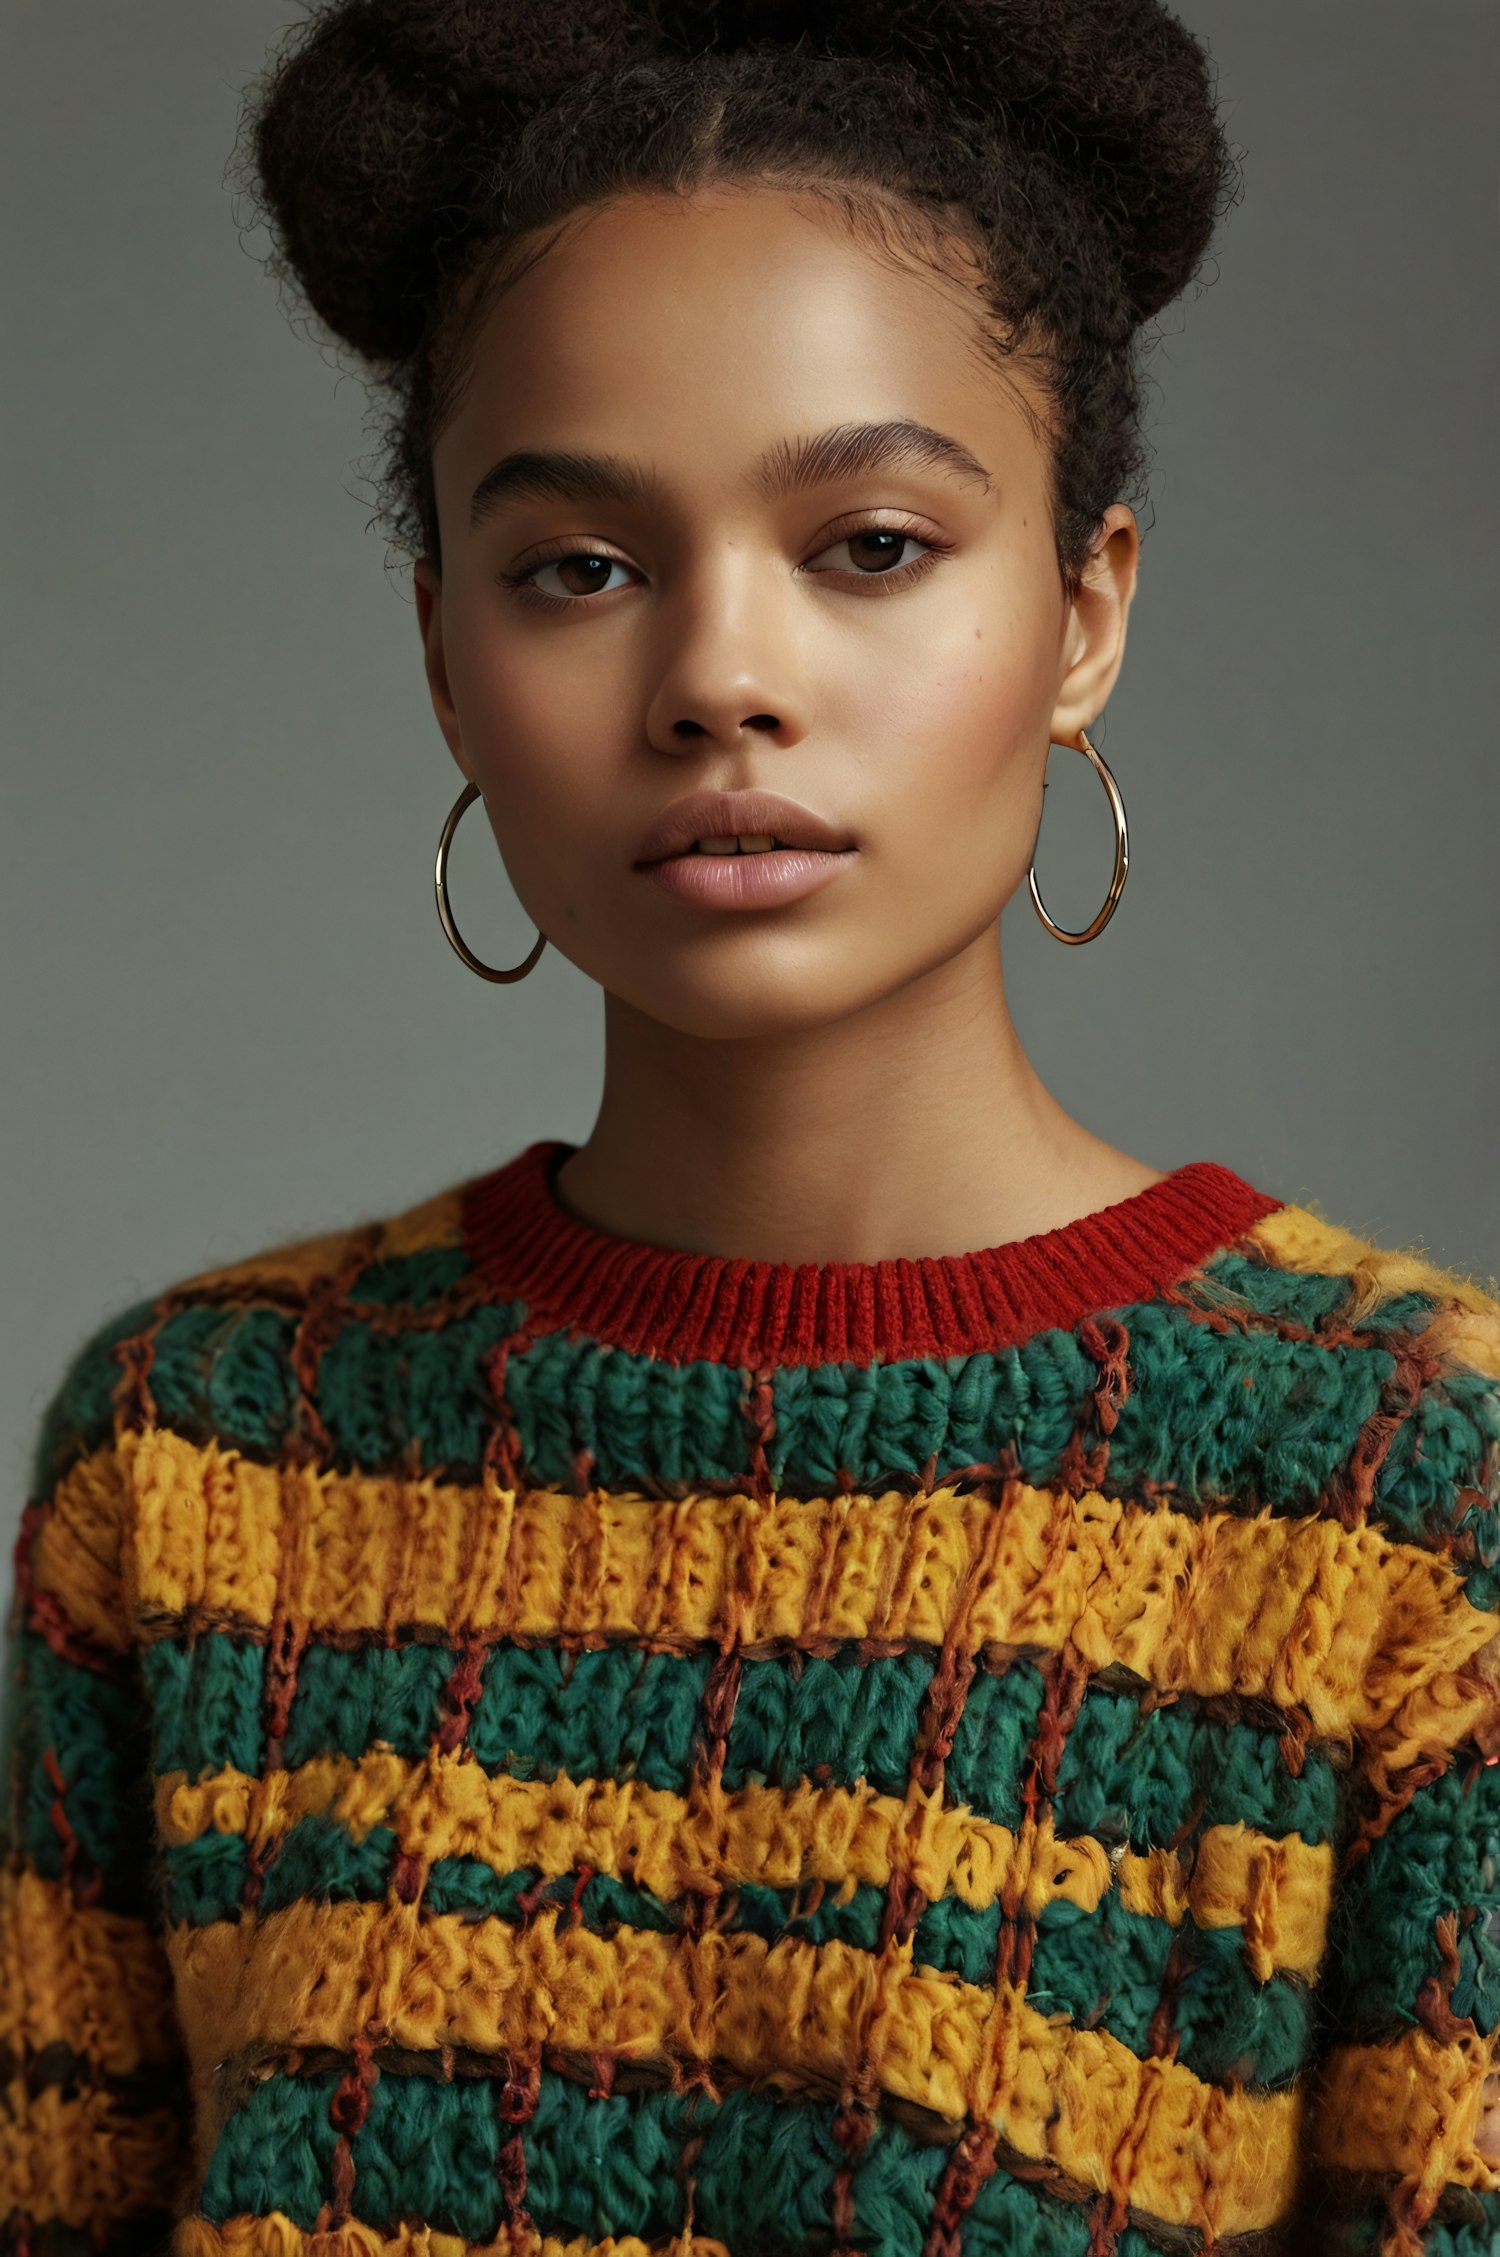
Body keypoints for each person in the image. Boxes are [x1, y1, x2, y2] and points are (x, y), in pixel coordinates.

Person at [3, 2, 1498, 2252]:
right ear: (441, 655)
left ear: (1083, 611)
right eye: (578, 568)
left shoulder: (1405, 1486)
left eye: (871, 543)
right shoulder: (194, 1454)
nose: (720, 672)